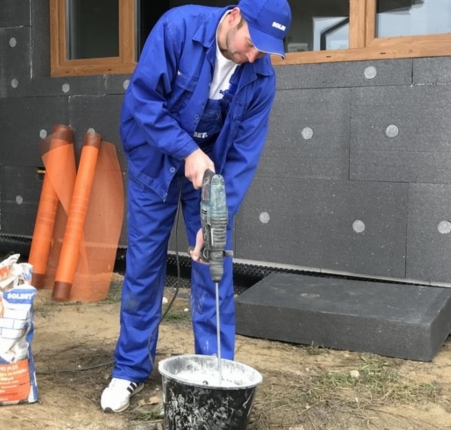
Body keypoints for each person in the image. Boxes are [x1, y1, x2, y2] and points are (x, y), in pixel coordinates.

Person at [101, 0, 291, 413]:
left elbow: (243, 155)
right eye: (251, 43)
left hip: (209, 172)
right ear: (235, 16)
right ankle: (130, 369)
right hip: (154, 159)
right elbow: (143, 101)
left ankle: (215, 373)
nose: (253, 56)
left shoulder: (261, 77)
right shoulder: (178, 29)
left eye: (264, 51)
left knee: (213, 264)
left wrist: (217, 216)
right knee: (145, 265)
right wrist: (187, 150)